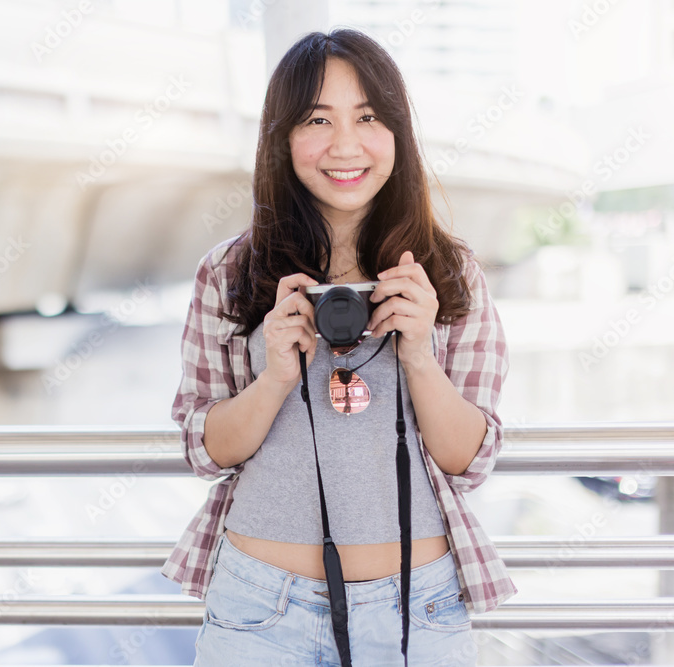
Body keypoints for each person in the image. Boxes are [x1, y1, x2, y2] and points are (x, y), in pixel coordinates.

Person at [160, 27, 517, 666]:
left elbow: (471, 461)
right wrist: (273, 376)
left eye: (369, 117)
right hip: (260, 607)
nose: (345, 144)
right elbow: (204, 451)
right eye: (317, 119)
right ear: (282, 138)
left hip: (419, 602)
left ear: (399, 137)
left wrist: (417, 355)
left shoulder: (449, 274)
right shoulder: (229, 273)